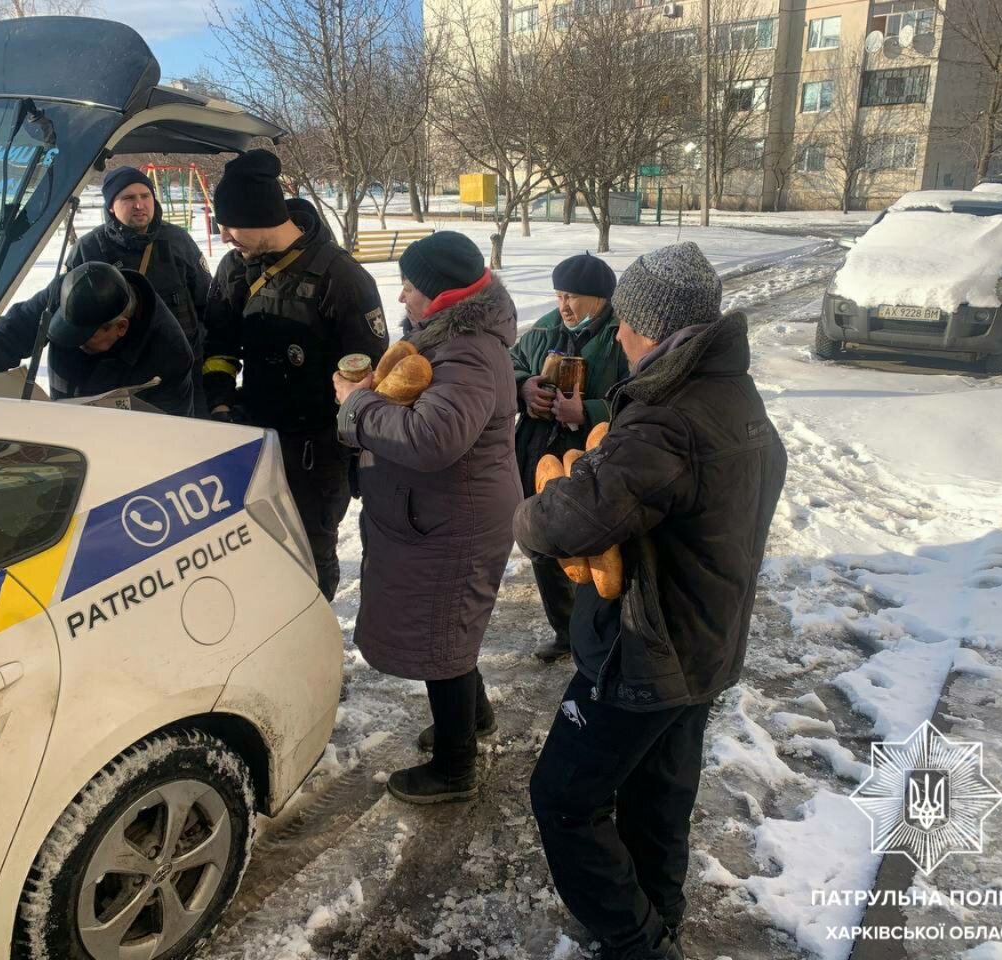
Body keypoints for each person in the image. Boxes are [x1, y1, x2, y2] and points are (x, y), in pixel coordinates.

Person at [514, 243, 787, 960]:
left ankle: (636, 943)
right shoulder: (735, 394)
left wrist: (533, 512)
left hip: (645, 649)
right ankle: (657, 915)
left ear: (648, 328)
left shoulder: (667, 418)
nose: (619, 340)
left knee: (564, 799)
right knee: (657, 796)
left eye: (624, 325)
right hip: (705, 641)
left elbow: (568, 521)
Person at [332, 231, 520, 804]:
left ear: (439, 296)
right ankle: (473, 718)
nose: (402, 300)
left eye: (410, 289)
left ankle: (455, 767)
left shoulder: (464, 348)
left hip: (454, 520)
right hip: (445, 512)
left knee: (443, 637)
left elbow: (434, 438)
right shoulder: (451, 337)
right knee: (451, 627)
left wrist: (355, 406)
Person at [203, 150, 387, 601]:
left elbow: (372, 370)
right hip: (252, 438)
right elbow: (218, 350)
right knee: (253, 553)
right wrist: (221, 403)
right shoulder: (233, 270)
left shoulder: (340, 277)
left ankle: (314, 659)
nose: (224, 236)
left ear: (261, 214)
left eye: (231, 224)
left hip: (317, 449)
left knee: (309, 553)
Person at [511, 253, 628, 663]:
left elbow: (644, 397)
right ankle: (564, 630)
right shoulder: (543, 330)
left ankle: (600, 636)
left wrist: (591, 412)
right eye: (559, 294)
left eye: (573, 296)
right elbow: (510, 367)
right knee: (544, 544)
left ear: (599, 300)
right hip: (538, 452)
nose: (563, 305)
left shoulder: (623, 335)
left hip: (596, 459)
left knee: (595, 550)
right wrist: (524, 389)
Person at [0, 261, 195, 416]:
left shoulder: (170, 352)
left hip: (123, 436)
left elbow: (170, 428)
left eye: (84, 337)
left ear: (120, 328)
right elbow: (5, 338)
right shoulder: (68, 292)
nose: (76, 344)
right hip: (62, 411)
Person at [67, 166, 212, 412]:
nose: (139, 204)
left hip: (182, 372)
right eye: (128, 198)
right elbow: (72, 315)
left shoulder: (178, 241)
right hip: (121, 378)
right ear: (111, 206)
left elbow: (207, 302)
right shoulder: (88, 249)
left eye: (145, 196)